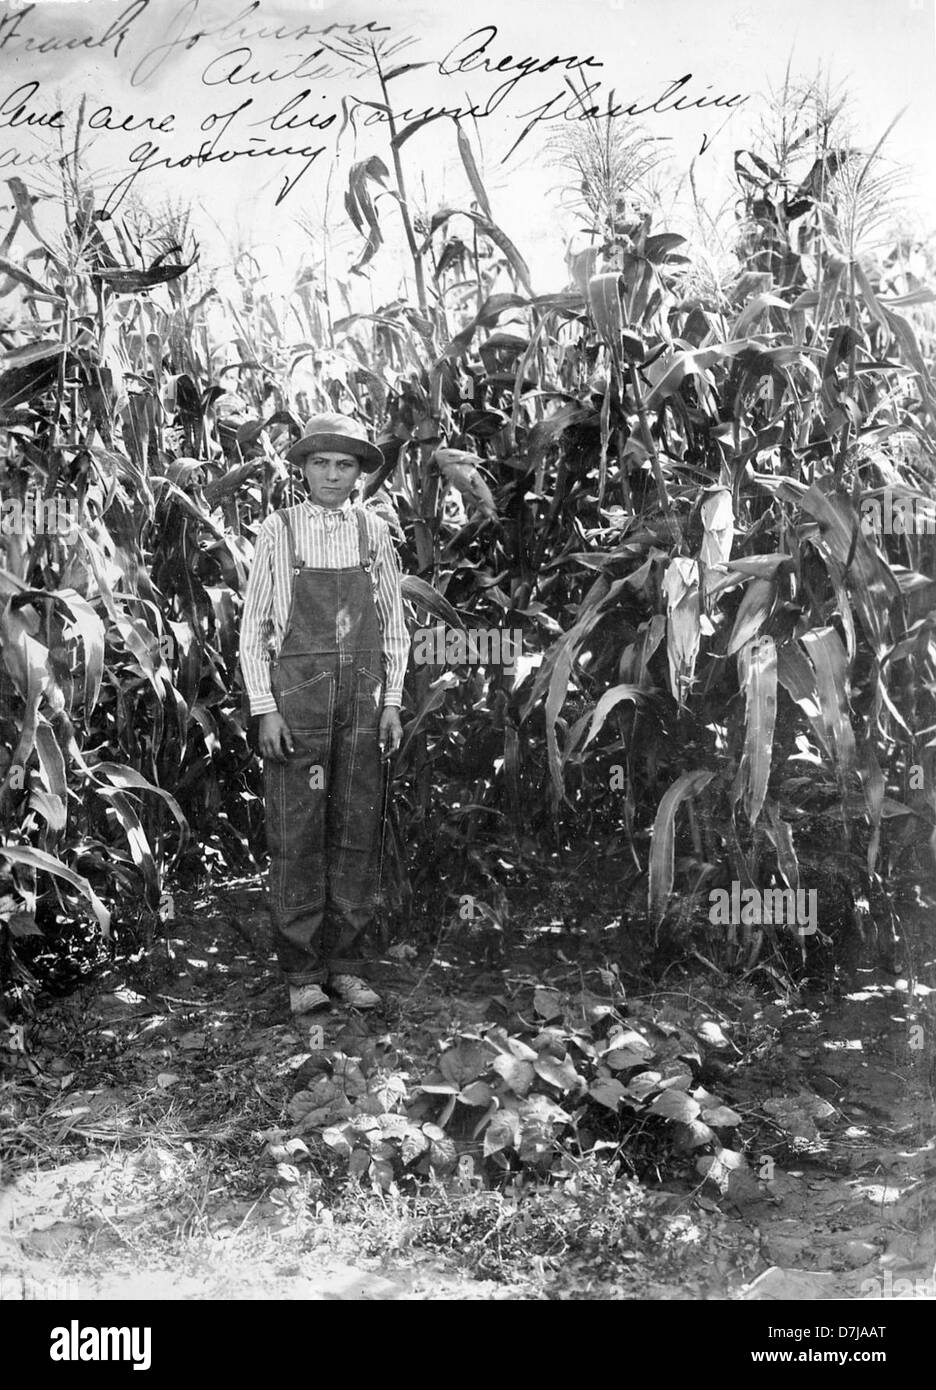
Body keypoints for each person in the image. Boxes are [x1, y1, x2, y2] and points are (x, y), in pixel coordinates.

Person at [239, 413, 409, 1014]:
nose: (333, 475)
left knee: (357, 830)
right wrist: (266, 709)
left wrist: (390, 702)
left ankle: (349, 966)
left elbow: (393, 625)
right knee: (296, 832)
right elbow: (254, 629)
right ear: (304, 468)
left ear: (360, 473)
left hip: (363, 700)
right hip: (298, 701)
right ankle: (302, 973)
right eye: (321, 463)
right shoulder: (279, 532)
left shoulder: (373, 533)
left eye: (345, 465)